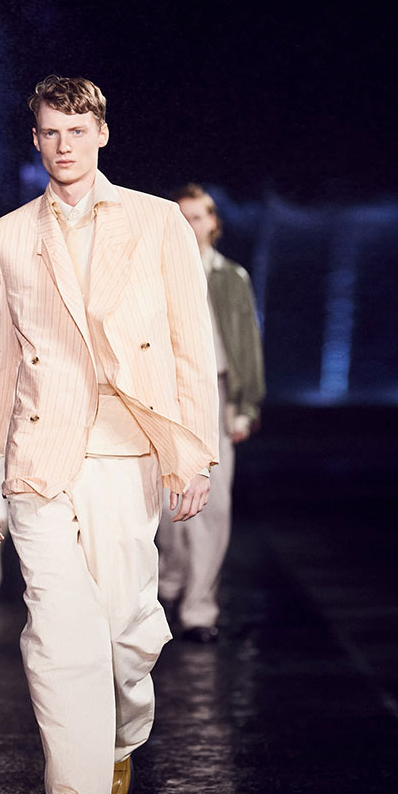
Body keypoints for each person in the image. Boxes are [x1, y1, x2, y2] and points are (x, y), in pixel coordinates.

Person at [0, 76, 219, 794]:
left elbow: (190, 346)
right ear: (35, 140)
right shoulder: (6, 237)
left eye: (77, 131)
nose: (64, 145)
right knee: (56, 630)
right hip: (39, 455)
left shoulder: (158, 221)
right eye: (50, 132)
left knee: (122, 630)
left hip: (126, 446)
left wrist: (193, 454)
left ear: (102, 133)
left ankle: (118, 735)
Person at [157, 184, 265, 643]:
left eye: (198, 216)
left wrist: (246, 406)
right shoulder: (155, 270)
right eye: (182, 216)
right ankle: (170, 580)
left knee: (213, 504)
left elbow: (247, 344)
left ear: (214, 223)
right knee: (165, 502)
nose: (190, 225)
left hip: (216, 393)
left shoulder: (230, 277)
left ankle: (199, 608)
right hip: (164, 394)